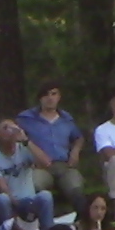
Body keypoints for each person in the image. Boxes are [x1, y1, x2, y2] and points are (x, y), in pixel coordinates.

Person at [17, 82, 86, 213]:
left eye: (54, 94)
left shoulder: (66, 119)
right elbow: (15, 137)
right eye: (46, 95)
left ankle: (84, 222)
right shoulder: (26, 118)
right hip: (39, 167)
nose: (50, 98)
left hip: (64, 165)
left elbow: (78, 137)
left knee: (76, 186)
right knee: (35, 185)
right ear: (40, 98)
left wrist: (76, 151)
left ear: (59, 96)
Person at [0, 118, 52, 230]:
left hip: (31, 198)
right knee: (2, 199)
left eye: (13, 127)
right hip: (11, 201)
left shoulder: (25, 149)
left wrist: (26, 141)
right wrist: (18, 204)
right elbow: (3, 188)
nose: (11, 131)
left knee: (46, 196)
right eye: (6, 128)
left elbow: (46, 163)